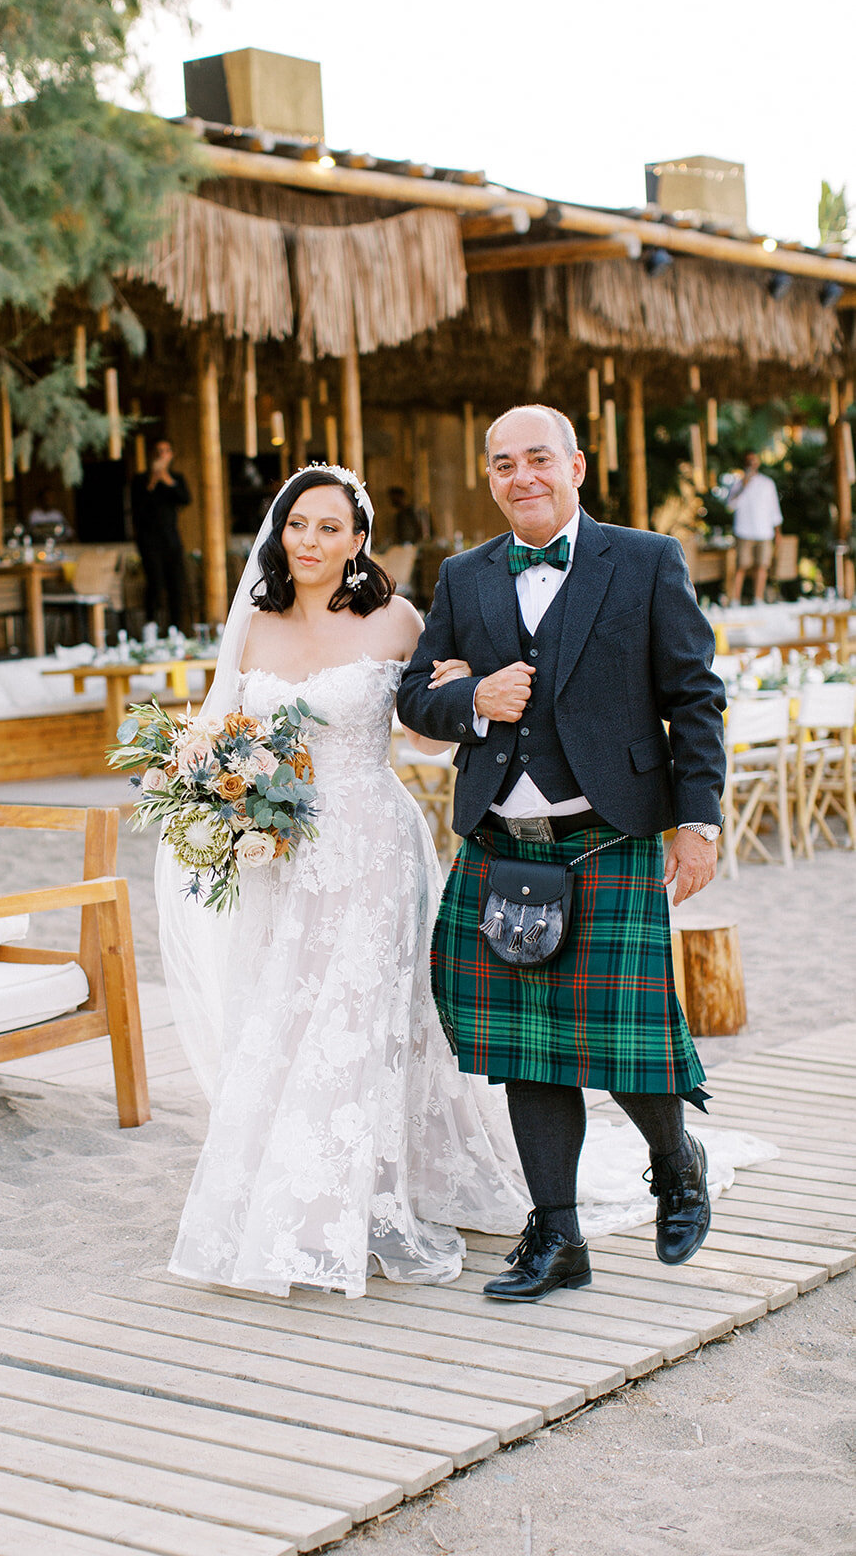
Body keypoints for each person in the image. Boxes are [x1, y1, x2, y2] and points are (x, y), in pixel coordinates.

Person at [164, 465, 532, 1297]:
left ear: (358, 541)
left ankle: (356, 1191)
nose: (310, 541)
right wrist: (204, 763)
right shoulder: (252, 626)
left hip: (371, 847)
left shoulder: (397, 620)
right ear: (278, 531)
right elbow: (222, 723)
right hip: (278, 854)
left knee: (363, 1016)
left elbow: (435, 735)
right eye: (298, 525)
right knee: (282, 1010)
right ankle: (286, 1184)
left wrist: (464, 693)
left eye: (330, 528)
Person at [397, 404, 729, 1303]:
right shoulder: (464, 577)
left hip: (611, 834)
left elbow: (695, 698)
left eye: (538, 458)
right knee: (526, 1049)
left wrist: (697, 824)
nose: (522, 477)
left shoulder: (648, 560)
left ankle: (676, 1157)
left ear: (576, 465)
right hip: (505, 843)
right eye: (503, 465)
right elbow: (414, 698)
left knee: (626, 1040)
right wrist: (472, 698)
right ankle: (558, 1238)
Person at [130, 440, 191, 631]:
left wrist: (165, 478)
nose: (161, 455)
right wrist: (153, 480)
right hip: (148, 540)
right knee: (155, 583)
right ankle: (151, 626)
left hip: (171, 538)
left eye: (165, 451)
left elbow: (185, 498)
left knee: (176, 584)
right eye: (158, 451)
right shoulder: (140, 480)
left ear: (171, 455)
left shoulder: (176, 478)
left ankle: (176, 629)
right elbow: (138, 506)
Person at [727, 451, 783, 605]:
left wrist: (778, 531)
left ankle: (758, 598)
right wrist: (743, 486)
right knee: (741, 566)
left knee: (762, 566)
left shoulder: (767, 483)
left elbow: (774, 509)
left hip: (764, 531)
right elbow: (730, 506)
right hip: (744, 531)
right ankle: (735, 599)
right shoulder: (737, 483)